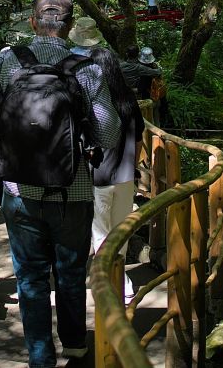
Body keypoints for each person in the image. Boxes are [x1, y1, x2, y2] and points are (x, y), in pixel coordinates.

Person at [0, 0, 120, 367]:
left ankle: (40, 357)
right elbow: (107, 131)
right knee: (71, 274)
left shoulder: (6, 62)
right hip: (73, 192)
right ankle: (74, 344)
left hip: (18, 193)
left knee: (30, 280)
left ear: (33, 22)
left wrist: (4, 163)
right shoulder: (86, 66)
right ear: (70, 27)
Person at [80, 46, 143, 304]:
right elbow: (139, 138)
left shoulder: (92, 101)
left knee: (100, 234)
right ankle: (122, 283)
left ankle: (109, 285)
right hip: (126, 177)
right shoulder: (129, 100)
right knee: (120, 233)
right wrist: (134, 165)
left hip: (98, 178)